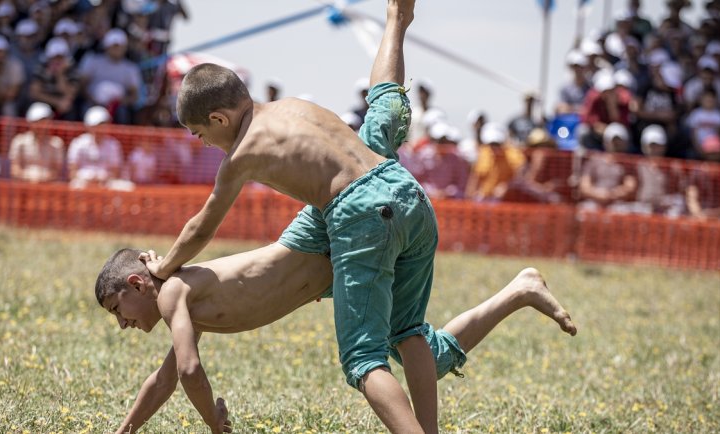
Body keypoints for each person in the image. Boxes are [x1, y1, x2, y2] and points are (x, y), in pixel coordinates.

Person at [140, 2, 461, 432]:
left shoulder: (243, 154)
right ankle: (396, 21)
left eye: (202, 135)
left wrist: (164, 266)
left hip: (361, 213)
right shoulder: (292, 106)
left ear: (219, 118)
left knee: (363, 359)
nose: (205, 144)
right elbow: (380, 109)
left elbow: (203, 225)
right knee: (406, 330)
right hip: (407, 192)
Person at [96, 247, 576, 434]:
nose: (123, 324)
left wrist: (217, 430)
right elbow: (165, 380)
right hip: (332, 274)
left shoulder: (174, 291)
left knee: (382, 358)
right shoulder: (183, 297)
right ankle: (519, 291)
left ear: (137, 285)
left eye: (118, 311)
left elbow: (187, 371)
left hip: (340, 253)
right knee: (421, 352)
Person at [8, 102, 65, 183]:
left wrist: (41, 179)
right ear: (30, 122)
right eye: (37, 121)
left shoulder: (57, 143)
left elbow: (57, 171)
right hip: (24, 185)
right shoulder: (19, 141)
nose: (42, 125)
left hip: (47, 186)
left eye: (45, 121)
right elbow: (15, 170)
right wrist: (30, 178)